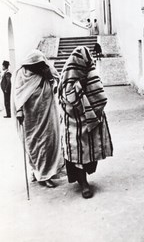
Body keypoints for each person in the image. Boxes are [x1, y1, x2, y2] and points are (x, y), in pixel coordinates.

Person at [58, 46, 113, 198]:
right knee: (78, 153)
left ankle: (84, 178)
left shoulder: (90, 73)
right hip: (74, 122)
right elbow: (64, 99)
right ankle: (83, 183)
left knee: (90, 152)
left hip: (90, 121)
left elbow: (99, 96)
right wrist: (77, 98)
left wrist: (93, 111)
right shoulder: (67, 76)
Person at [12, 49, 61, 188]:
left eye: (41, 62)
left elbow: (57, 81)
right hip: (31, 117)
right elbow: (18, 93)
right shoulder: (22, 73)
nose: (39, 65)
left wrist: (50, 77)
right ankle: (39, 173)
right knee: (34, 145)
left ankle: (45, 174)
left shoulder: (45, 70)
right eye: (36, 63)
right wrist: (19, 110)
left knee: (47, 143)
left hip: (47, 113)